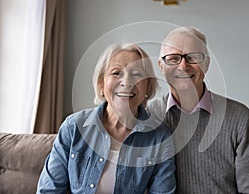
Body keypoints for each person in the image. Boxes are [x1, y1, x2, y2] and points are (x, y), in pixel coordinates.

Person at [147, 26, 249, 193]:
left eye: (193, 57)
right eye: (173, 59)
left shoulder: (239, 118)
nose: (183, 67)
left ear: (206, 64)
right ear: (161, 66)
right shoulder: (148, 116)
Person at [37, 43, 176, 194]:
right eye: (116, 73)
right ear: (101, 84)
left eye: (137, 74)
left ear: (147, 87)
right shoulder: (73, 127)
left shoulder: (160, 138)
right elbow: (49, 190)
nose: (127, 82)